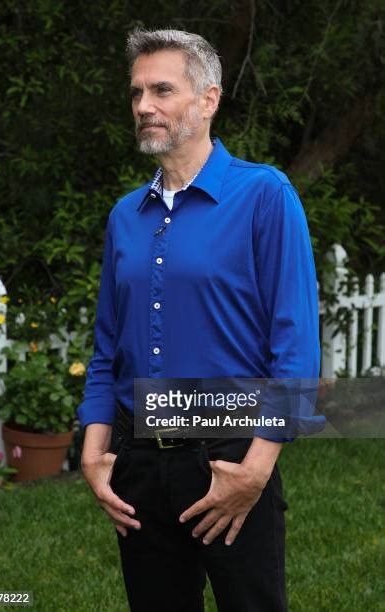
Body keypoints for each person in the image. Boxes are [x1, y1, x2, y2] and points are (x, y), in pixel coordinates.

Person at [77, 29, 320, 612]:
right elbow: (107, 345)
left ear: (208, 99)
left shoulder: (264, 194)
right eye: (136, 93)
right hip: (139, 464)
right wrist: (93, 449)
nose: (144, 107)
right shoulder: (124, 216)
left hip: (231, 451)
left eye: (162, 89)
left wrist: (255, 470)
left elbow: (296, 347)